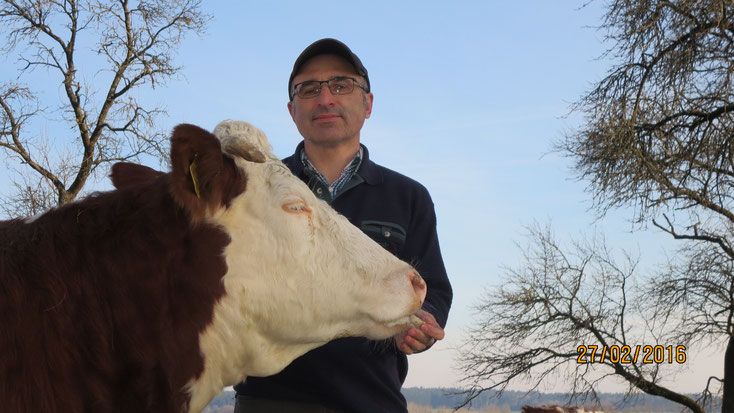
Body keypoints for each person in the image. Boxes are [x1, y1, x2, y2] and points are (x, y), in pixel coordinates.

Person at [233, 38, 453, 413]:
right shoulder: (253, 188)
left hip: (371, 401)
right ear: (292, 109)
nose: (325, 99)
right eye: (309, 89)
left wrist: (422, 323)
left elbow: (434, 289)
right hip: (268, 402)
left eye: (341, 85)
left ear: (368, 104)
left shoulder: (409, 196)